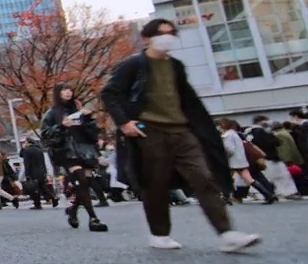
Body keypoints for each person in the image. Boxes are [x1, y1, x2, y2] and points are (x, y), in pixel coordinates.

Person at [101, 18, 260, 252]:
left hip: (183, 130)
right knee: (156, 184)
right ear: (147, 38)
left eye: (171, 33)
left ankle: (227, 233)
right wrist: (124, 122)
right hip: (150, 132)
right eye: (161, 33)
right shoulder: (133, 65)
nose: (167, 38)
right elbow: (110, 93)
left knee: (204, 178)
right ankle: (159, 234)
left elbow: (187, 99)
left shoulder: (176, 66)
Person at [41, 84, 106, 231]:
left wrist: (89, 119)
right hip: (67, 152)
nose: (68, 92)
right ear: (58, 93)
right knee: (81, 179)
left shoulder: (79, 110)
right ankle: (93, 218)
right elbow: (45, 134)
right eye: (64, 90)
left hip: (86, 150)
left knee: (85, 184)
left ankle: (73, 210)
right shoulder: (52, 113)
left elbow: (93, 131)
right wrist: (62, 126)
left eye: (70, 89)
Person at [219, 119, 276, 204]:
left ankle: (226, 198)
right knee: (249, 179)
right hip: (241, 160)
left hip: (232, 161)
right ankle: (268, 195)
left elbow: (230, 150)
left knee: (226, 178)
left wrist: (223, 153)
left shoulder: (227, 136)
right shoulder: (235, 134)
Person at [20, 137, 57, 209]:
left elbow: (26, 162)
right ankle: (53, 197)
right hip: (41, 171)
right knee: (43, 187)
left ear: (27, 142)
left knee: (34, 189)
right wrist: (45, 172)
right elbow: (43, 162)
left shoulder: (27, 151)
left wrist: (27, 175)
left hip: (32, 172)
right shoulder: (39, 150)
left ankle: (37, 204)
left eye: (25, 142)